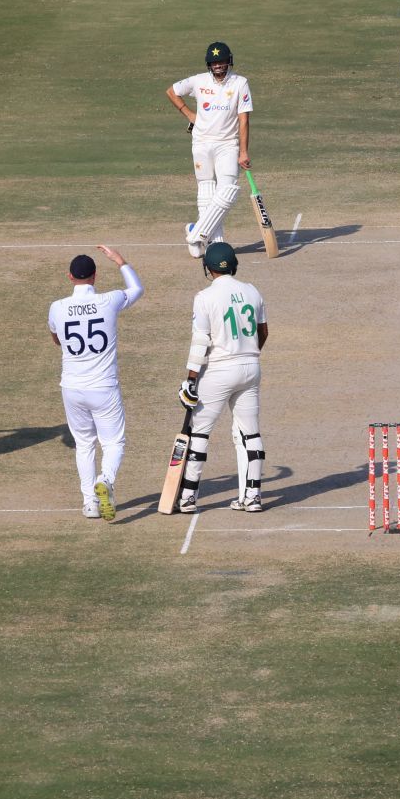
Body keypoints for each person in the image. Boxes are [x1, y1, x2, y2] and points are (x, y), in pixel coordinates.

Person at [47, 245, 143, 520]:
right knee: (113, 443)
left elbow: (56, 339)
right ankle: (106, 479)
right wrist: (120, 260)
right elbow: (136, 289)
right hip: (103, 387)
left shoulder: (57, 307)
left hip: (72, 388)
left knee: (84, 444)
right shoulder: (109, 300)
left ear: (70, 277)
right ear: (95, 276)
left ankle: (90, 502)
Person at [177, 242, 267, 512]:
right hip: (251, 367)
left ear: (208, 268)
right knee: (250, 432)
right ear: (234, 265)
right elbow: (263, 332)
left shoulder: (204, 297)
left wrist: (190, 380)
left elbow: (200, 342)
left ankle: (188, 497)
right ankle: (252, 496)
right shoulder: (252, 291)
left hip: (219, 370)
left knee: (199, 432)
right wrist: (248, 353)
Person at [166, 41, 253, 259]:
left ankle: (198, 233)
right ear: (209, 65)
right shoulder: (198, 81)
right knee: (206, 189)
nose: (218, 66)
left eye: (222, 61)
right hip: (202, 142)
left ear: (229, 61)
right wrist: (189, 114)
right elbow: (172, 91)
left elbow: (244, 120)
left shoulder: (240, 83)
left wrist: (243, 151)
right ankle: (215, 245)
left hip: (228, 144)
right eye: (214, 62)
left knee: (228, 191)